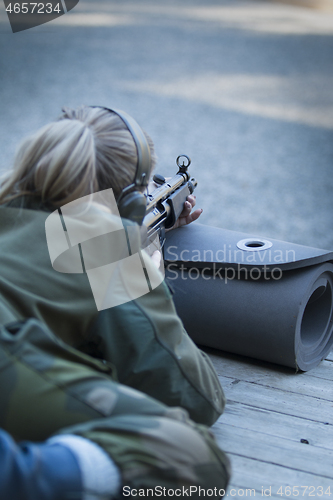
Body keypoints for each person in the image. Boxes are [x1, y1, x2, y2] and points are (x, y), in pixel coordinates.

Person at [0, 106, 231, 498]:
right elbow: (198, 396)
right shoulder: (102, 244)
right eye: (143, 195)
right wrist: (145, 274)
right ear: (127, 204)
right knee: (195, 456)